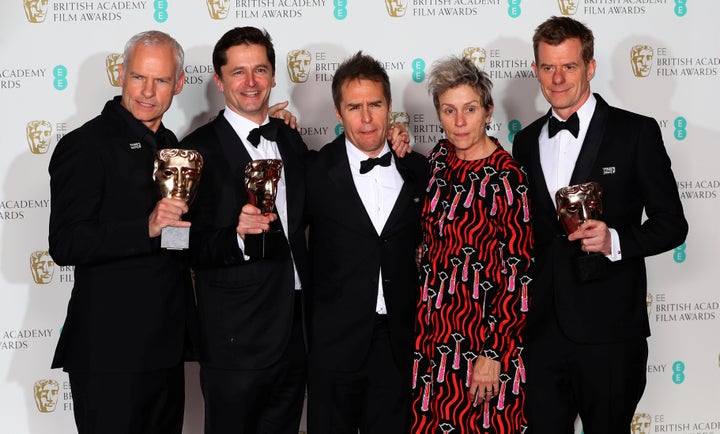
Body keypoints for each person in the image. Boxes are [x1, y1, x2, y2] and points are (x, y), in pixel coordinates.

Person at [512, 16, 688, 434]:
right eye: (548, 67)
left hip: (610, 334)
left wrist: (616, 240)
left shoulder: (636, 133)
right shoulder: (525, 140)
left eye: (569, 66)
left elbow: (672, 225)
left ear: (590, 67)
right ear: (536, 69)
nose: (557, 78)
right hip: (541, 331)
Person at [48, 30, 196, 434]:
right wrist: (146, 227)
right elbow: (65, 243)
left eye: (161, 80)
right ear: (121, 74)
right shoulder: (85, 145)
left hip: (165, 350)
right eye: (138, 77)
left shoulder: (170, 145)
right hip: (109, 354)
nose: (148, 91)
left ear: (179, 84)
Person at [179, 26, 309, 434]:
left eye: (260, 70)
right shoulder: (194, 150)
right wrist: (234, 236)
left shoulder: (289, 140)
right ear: (219, 81)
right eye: (238, 72)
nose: (250, 82)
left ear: (272, 77)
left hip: (296, 331)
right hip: (234, 338)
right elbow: (172, 240)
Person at [304, 51, 429, 434]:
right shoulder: (314, 171)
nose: (367, 117)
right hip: (333, 347)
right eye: (354, 107)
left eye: (375, 104)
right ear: (339, 114)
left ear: (390, 107)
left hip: (398, 345)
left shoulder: (419, 169)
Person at [410, 56, 533, 433]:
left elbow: (519, 273)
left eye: (469, 109)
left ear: (487, 111)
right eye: (449, 110)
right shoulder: (438, 160)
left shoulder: (508, 177)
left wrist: (494, 354)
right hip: (432, 338)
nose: (459, 121)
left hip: (483, 341)